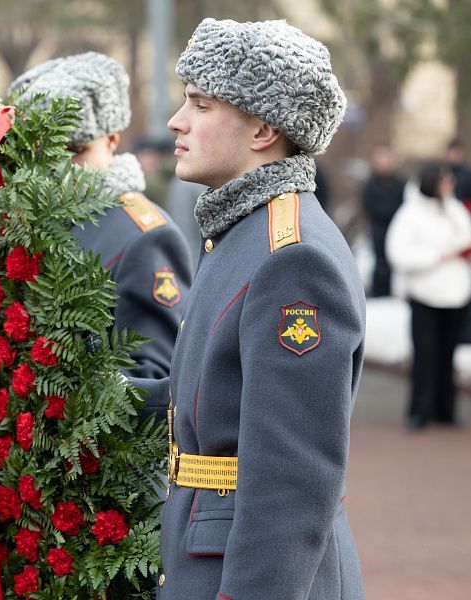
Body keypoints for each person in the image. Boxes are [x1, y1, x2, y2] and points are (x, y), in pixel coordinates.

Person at [146, 18, 365, 599]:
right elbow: (212, 399)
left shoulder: (289, 259)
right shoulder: (244, 229)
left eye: (200, 104)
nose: (177, 121)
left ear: (263, 128)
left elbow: (292, 481)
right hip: (206, 552)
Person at [8, 52, 192, 380]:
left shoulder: (144, 236)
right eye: (43, 152)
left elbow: (153, 377)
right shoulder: (22, 221)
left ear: (111, 140)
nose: (58, 167)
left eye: (74, 150)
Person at [386, 161, 471, 430]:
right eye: (445, 180)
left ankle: (445, 410)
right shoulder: (410, 214)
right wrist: (439, 255)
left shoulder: (456, 208)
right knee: (424, 355)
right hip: (425, 295)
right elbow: (398, 254)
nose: (450, 185)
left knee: (448, 355)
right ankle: (419, 412)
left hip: (457, 295)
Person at [361, 144, 405, 297]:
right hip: (378, 229)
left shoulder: (401, 184)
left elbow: (403, 205)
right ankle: (379, 293)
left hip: (398, 229)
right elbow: (369, 207)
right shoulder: (370, 185)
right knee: (380, 263)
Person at [445, 138, 471, 215]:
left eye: (456, 153)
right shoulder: (443, 171)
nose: (453, 156)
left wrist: (463, 211)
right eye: (451, 152)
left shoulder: (470, 174)